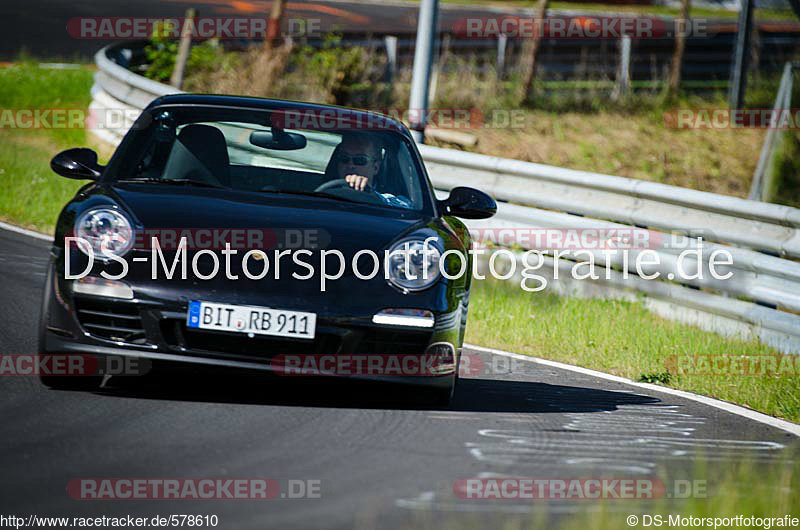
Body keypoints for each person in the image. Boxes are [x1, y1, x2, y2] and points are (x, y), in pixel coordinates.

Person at [335, 132, 413, 208]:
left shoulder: (386, 199)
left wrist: (370, 195)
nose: (350, 165)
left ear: (376, 167)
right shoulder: (323, 192)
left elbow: (407, 208)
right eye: (344, 158)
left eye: (360, 160)